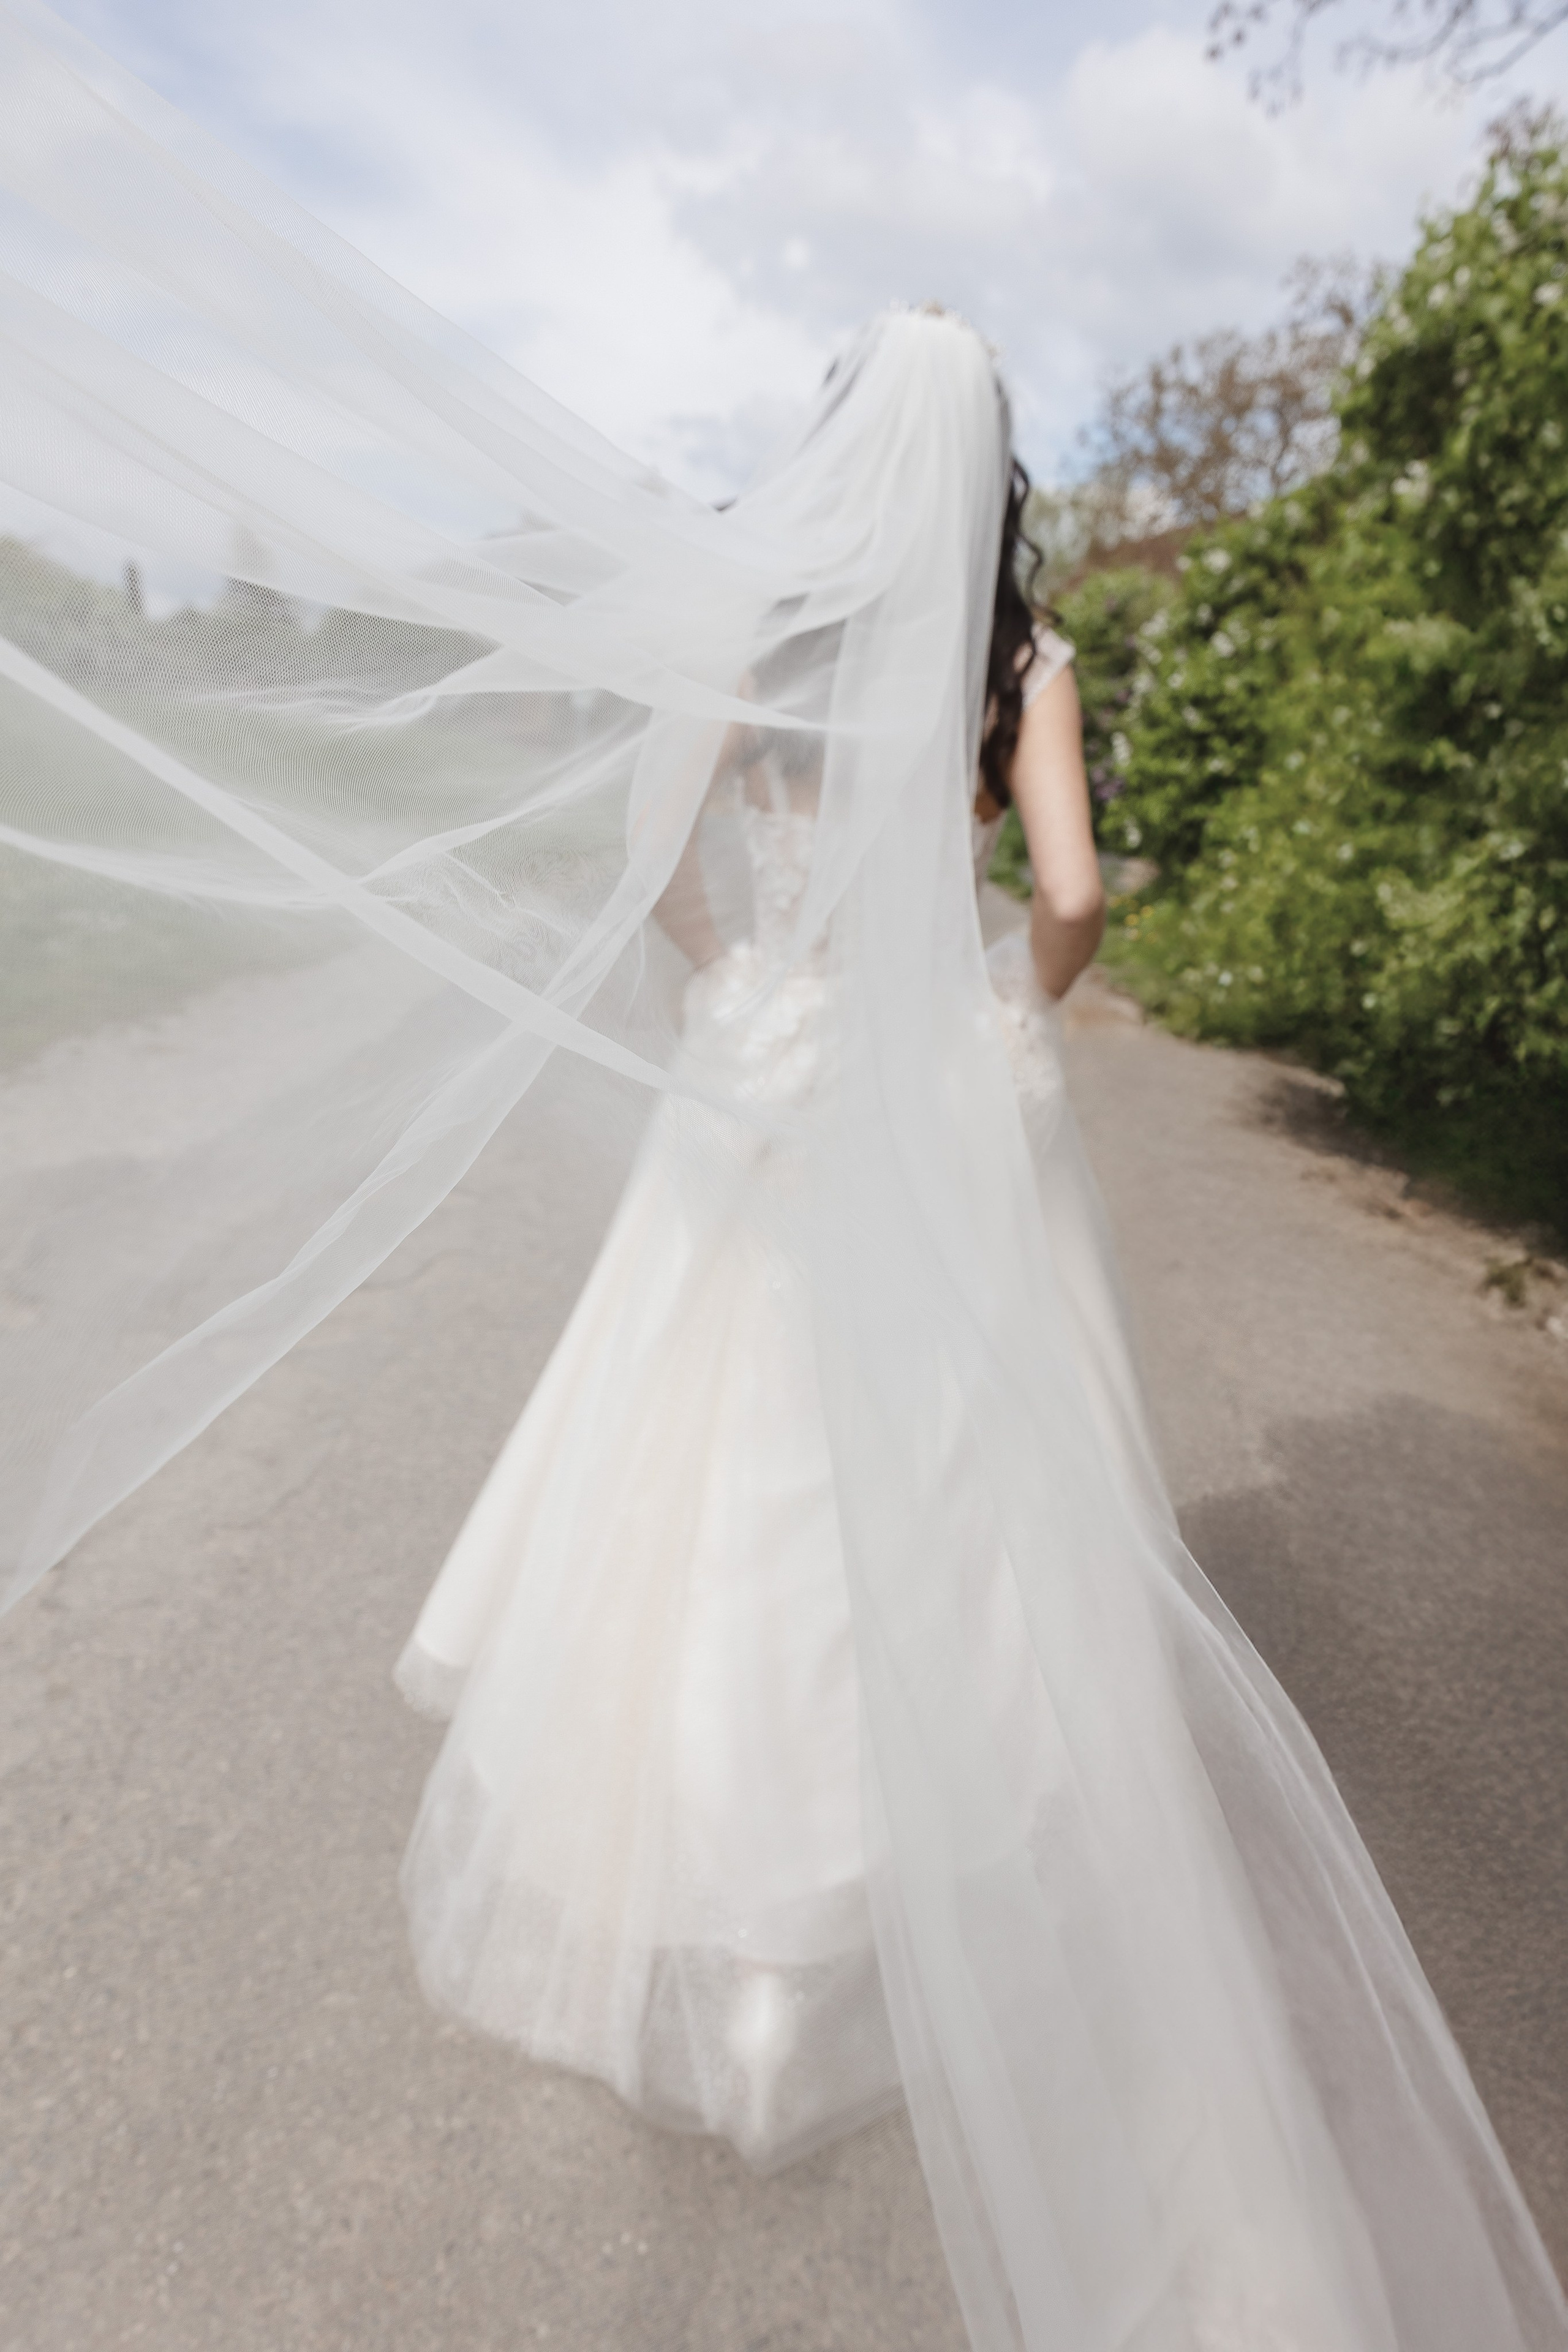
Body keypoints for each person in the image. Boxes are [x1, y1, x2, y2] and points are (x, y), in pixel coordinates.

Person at [0, 12, 1563, 2348]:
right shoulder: (1023, 656)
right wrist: (1002, 1007)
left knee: (721, 1460)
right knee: (948, 1476)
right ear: (997, 469)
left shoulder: (763, 630)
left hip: (775, 1069)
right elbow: (1075, 898)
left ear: (838, 453)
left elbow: (658, 863)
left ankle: (717, 1923)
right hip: (928, 1067)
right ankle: (933, 1883)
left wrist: (733, 979)